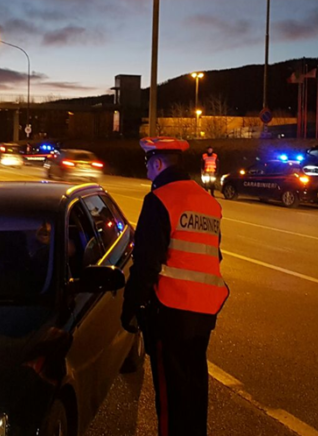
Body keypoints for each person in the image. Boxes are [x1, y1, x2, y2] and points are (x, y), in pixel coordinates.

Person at [122, 136, 229, 436]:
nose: (146, 169)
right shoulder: (208, 202)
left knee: (170, 396)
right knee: (195, 387)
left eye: (148, 163)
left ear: (157, 163)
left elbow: (146, 262)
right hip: (205, 311)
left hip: (170, 311)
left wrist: (131, 308)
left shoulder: (159, 199)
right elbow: (214, 254)